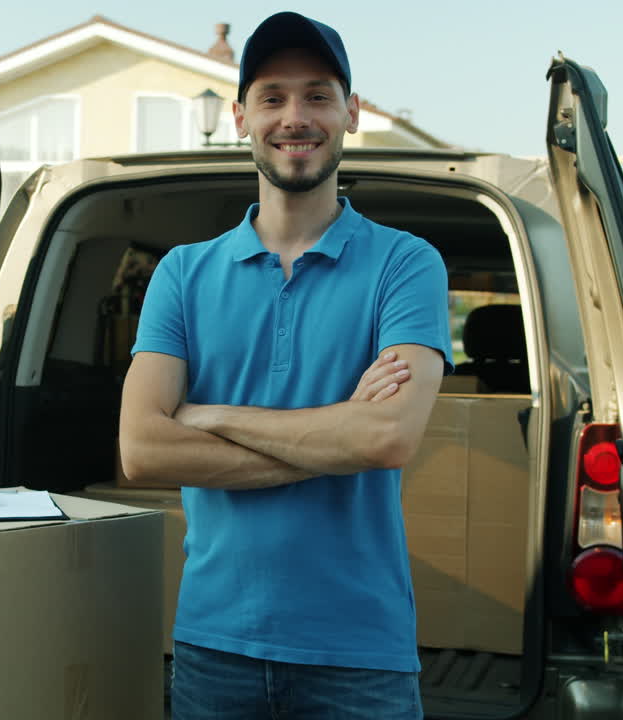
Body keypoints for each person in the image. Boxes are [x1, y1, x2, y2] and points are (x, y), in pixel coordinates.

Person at [118, 11, 452, 720]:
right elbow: (142, 449)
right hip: (214, 646)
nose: (294, 117)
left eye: (317, 96)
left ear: (351, 113)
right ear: (241, 118)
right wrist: (335, 436)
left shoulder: (406, 263)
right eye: (272, 97)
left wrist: (208, 416)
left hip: (360, 656)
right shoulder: (182, 273)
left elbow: (385, 437)